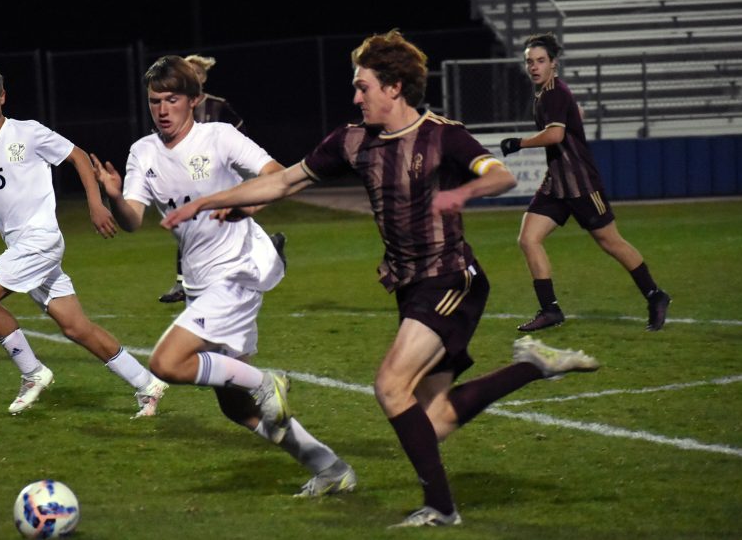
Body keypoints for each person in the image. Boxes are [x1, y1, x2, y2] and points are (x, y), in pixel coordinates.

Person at [161, 30, 602, 527]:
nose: (355, 96)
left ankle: (441, 509)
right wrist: (209, 201)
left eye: (363, 86)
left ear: (393, 87)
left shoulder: (443, 135)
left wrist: (462, 194)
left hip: (451, 279)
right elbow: (284, 180)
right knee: (430, 423)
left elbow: (500, 176)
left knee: (390, 386)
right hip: (412, 286)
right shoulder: (353, 141)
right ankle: (533, 366)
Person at [93, 55, 356, 497]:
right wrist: (116, 196)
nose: (162, 109)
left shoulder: (220, 137)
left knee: (166, 363)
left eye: (172, 99)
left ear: (194, 100)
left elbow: (276, 174)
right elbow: (133, 219)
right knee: (236, 409)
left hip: (238, 271)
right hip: (200, 284)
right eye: (155, 100)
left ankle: (267, 380)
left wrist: (250, 206)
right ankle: (329, 467)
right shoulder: (143, 152)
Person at [0, 62, 167, 417]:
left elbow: (77, 156)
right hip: (19, 246)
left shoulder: (28, 132)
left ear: (2, 97)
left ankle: (33, 373)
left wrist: (96, 204)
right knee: (76, 327)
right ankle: (147, 384)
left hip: (40, 238)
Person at [499, 33, 671, 332]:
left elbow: (555, 135)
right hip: (556, 183)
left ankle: (655, 295)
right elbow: (570, 116)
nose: (534, 66)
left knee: (611, 242)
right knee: (528, 239)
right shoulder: (546, 92)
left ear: (554, 63)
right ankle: (550, 310)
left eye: (541, 61)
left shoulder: (553, 92)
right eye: (530, 61)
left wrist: (519, 142)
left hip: (581, 183)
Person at [157, 54, 288, 303]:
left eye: (196, 72)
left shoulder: (217, 106)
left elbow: (240, 136)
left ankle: (190, 282)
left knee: (216, 224)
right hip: (190, 175)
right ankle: (185, 282)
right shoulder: (175, 106)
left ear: (203, 77)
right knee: (192, 225)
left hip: (219, 175)